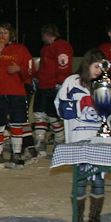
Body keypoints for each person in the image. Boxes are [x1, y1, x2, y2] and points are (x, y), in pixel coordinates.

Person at [56, 49, 111, 222]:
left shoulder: (106, 83)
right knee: (80, 179)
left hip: (99, 140)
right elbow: (60, 108)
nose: (99, 70)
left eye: (102, 67)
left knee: (98, 179)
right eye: (96, 66)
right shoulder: (72, 82)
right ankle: (77, 217)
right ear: (87, 64)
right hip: (78, 140)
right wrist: (81, 103)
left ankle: (95, 217)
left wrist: (106, 101)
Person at [0, 22, 33, 169]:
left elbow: (31, 69)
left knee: (17, 123)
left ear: (11, 34)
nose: (2, 35)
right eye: (0, 32)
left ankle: (16, 153)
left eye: (5, 32)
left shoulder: (21, 49)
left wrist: (20, 69)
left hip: (16, 92)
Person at [33, 23, 73, 154]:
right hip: (44, 86)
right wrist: (36, 78)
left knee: (54, 117)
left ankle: (60, 141)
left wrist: (60, 83)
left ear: (46, 34)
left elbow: (64, 65)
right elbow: (44, 67)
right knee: (39, 114)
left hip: (53, 87)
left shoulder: (61, 45)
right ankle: (40, 141)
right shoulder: (46, 47)